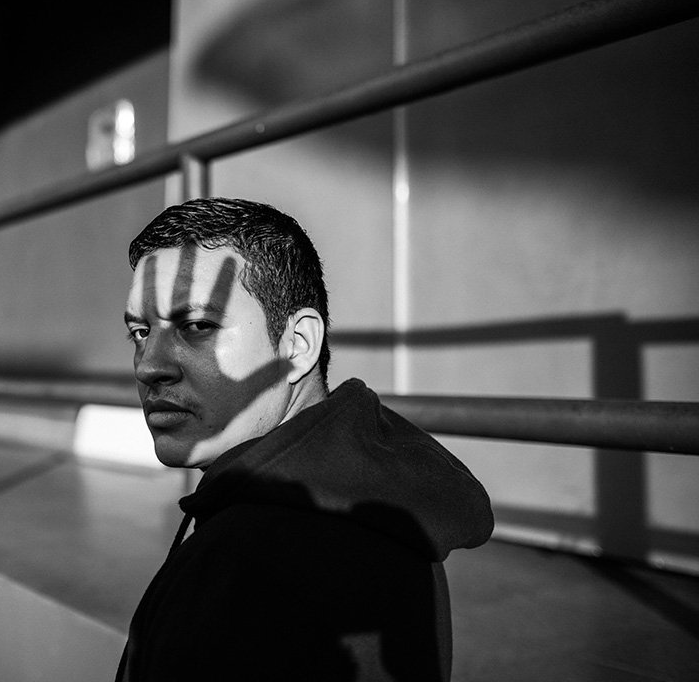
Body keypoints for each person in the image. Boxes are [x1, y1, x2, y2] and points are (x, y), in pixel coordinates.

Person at [117, 197, 493, 682]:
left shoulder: (263, 561)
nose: (149, 365)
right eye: (141, 332)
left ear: (297, 345)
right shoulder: (361, 507)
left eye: (196, 326)